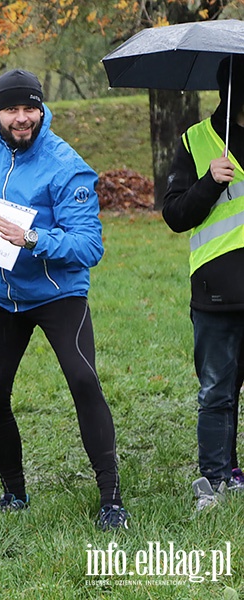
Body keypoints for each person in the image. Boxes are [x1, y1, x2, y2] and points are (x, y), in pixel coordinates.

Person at [0, 68, 128, 531]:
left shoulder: (65, 164)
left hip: (57, 293)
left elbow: (89, 246)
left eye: (29, 108)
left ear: (40, 109)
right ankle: (14, 493)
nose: (21, 118)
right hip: (3, 295)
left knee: (82, 381)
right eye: (11, 109)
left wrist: (32, 237)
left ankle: (111, 500)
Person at [163, 55, 244, 511]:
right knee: (218, 390)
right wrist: (210, 182)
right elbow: (175, 215)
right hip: (216, 292)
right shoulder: (197, 142)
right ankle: (215, 478)